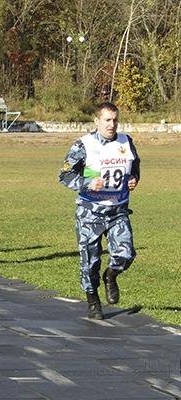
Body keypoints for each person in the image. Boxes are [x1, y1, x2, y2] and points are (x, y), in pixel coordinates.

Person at [59, 102, 140, 320]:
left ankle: (111, 275)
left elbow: (135, 168)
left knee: (126, 254)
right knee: (90, 261)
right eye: (107, 120)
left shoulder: (126, 142)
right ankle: (93, 301)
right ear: (97, 121)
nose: (112, 124)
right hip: (90, 213)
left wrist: (134, 179)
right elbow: (64, 175)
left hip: (118, 211)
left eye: (115, 120)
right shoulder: (83, 145)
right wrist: (86, 183)